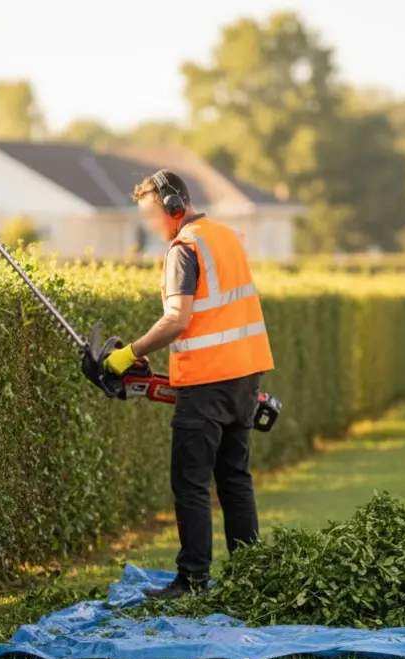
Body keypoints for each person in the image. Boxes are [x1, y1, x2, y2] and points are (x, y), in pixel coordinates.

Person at [103, 169, 275, 599]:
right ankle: (249, 577)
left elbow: (177, 320)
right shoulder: (224, 236)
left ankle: (193, 580)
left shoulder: (184, 248)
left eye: (151, 216)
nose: (151, 225)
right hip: (245, 374)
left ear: (173, 208)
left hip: (208, 379)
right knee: (234, 477)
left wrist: (130, 355)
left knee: (191, 481)